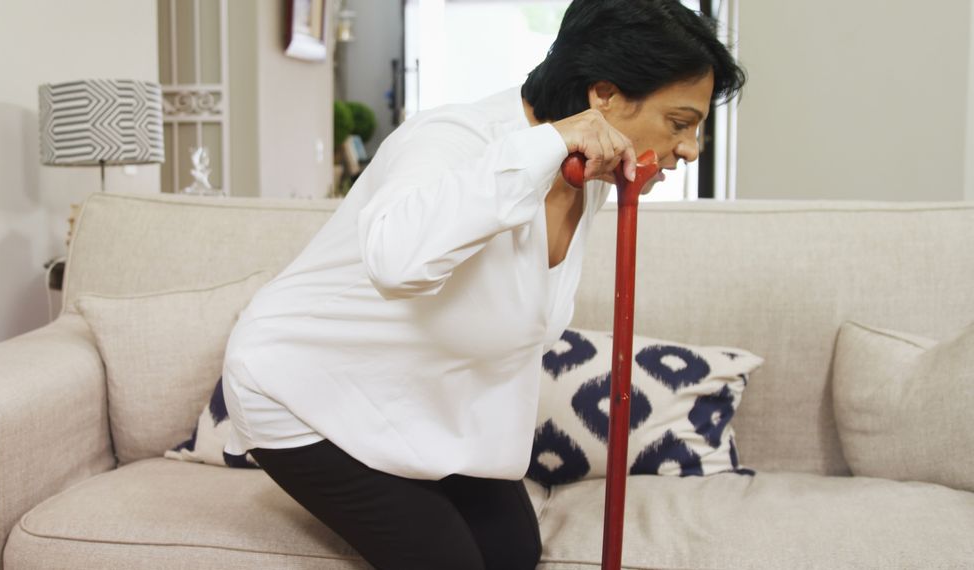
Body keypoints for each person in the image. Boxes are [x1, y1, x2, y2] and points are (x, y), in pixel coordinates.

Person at [222, 0, 745, 568]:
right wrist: (548, 145)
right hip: (296, 392)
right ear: (604, 97)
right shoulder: (451, 139)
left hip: (410, 408)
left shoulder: (589, 177)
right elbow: (397, 259)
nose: (691, 149)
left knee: (514, 553)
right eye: (680, 123)